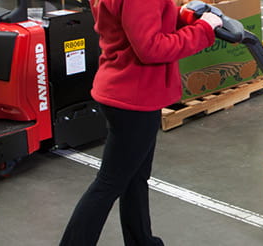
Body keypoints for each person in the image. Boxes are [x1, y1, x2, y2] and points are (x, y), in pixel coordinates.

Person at [60, 0, 222, 245]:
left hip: (125, 91)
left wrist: (179, 17)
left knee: (135, 178)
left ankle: (141, 240)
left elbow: (133, 25)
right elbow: (151, 48)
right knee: (109, 184)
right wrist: (203, 31)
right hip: (134, 98)